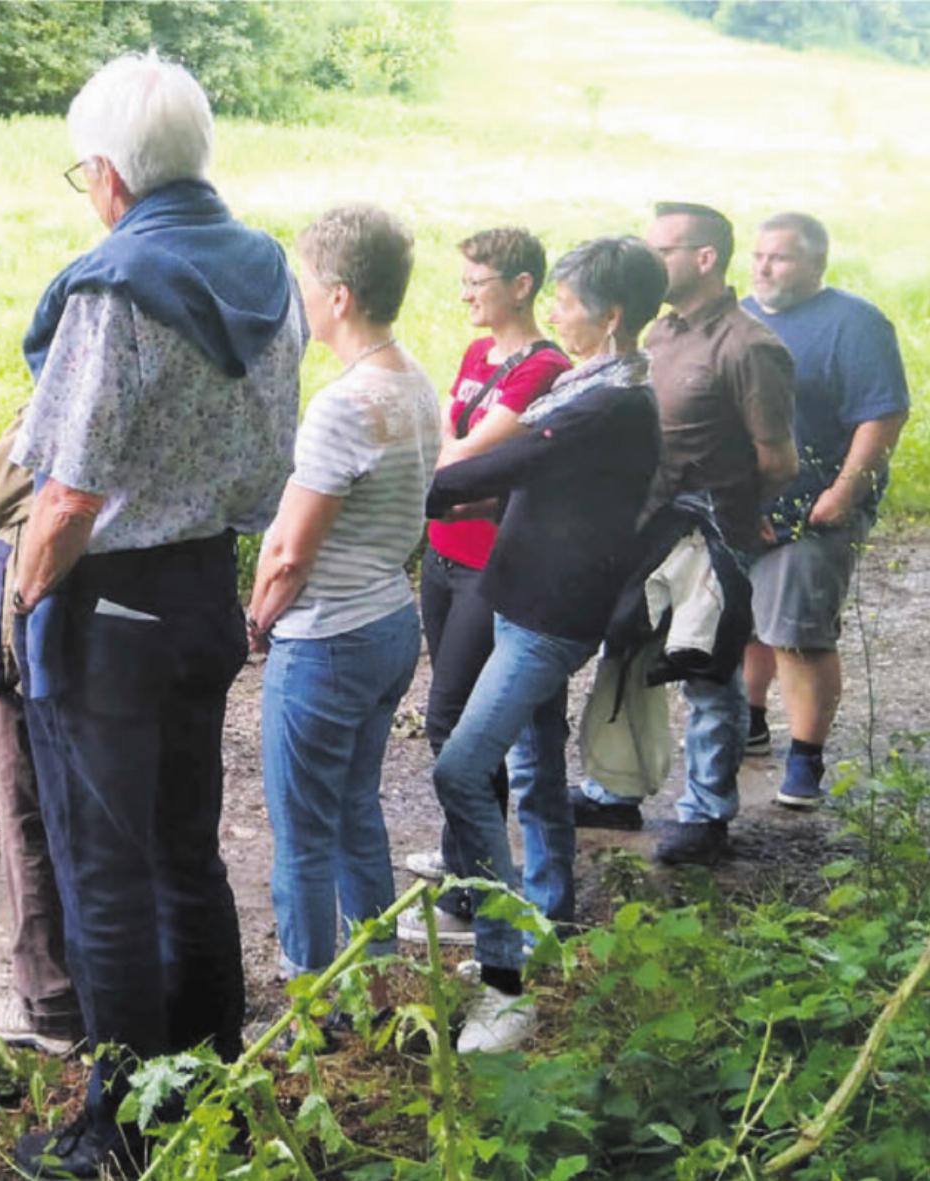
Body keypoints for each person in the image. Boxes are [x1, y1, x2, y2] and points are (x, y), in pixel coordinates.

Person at [8, 53, 304, 1177]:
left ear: (111, 173)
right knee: (186, 847)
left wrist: (26, 592)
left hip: (113, 603)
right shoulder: (265, 271)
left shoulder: (113, 287)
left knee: (105, 869)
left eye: (83, 169)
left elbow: (72, 490)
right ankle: (212, 1074)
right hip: (201, 590)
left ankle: (115, 1127)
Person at [427, 236, 666, 1053]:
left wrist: (398, 489)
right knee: (534, 761)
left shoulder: (611, 402)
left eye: (566, 299)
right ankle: (545, 919)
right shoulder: (593, 380)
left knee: (460, 767)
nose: (555, 310)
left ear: (612, 315)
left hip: (549, 616)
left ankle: (504, 983)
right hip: (518, 594)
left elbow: (510, 460)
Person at [246, 205, 437, 994]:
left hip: (327, 635)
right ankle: (376, 973)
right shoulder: (414, 381)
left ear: (341, 297)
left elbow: (291, 550)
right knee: (357, 804)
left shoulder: (342, 406)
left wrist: (255, 620)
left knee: (301, 831)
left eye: (309, 282)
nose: (302, 297)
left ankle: (308, 996)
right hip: (391, 616)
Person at [571, 203, 797, 866]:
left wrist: (732, 519)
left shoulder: (750, 347)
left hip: (710, 536)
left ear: (705, 257)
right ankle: (613, 789)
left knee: (708, 667)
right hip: (642, 527)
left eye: (662, 249)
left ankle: (706, 813)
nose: (648, 261)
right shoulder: (659, 336)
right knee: (626, 655)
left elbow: (777, 459)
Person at [399, 227, 571, 946]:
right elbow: (449, 435)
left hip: (489, 566)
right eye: (463, 281)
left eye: (478, 282)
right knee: (459, 711)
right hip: (441, 554)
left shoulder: (547, 367)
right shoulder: (478, 354)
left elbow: (470, 451)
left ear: (522, 284)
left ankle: (477, 891)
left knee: (451, 721)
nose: (465, 294)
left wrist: (443, 465)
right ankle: (460, 855)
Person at [740, 213, 911, 808]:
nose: (764, 267)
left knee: (797, 633)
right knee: (745, 616)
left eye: (780, 258)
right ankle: (750, 722)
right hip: (748, 503)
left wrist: (843, 492)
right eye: (759, 255)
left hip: (815, 506)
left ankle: (805, 760)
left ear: (816, 262)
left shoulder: (855, 324)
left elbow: (882, 414)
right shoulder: (742, 316)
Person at [0, 409, 82, 1057]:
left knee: (29, 810)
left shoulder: (63, 393)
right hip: (135, 620)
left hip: (38, 624)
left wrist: (26, 414)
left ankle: (51, 1000)